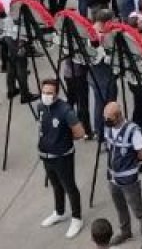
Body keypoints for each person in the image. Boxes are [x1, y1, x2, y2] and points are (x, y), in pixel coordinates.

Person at [37, 77, 86, 239]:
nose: (46, 95)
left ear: (56, 94)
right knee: (56, 185)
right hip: (46, 156)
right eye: (43, 92)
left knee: (69, 187)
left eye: (49, 93)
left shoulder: (66, 111)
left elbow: (79, 132)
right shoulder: (41, 106)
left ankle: (77, 218)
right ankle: (59, 211)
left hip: (62, 157)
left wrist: (63, 139)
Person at [103, 101, 142, 248]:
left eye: (109, 118)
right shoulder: (109, 128)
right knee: (120, 208)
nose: (106, 121)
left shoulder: (133, 131)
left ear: (118, 117)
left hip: (129, 180)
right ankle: (125, 232)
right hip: (113, 178)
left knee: (139, 211)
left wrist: (131, 161)